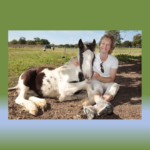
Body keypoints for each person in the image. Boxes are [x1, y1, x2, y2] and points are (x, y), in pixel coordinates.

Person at [72, 33, 120, 119]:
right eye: (103, 43)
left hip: (107, 82)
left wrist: (99, 77)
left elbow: (112, 78)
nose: (105, 46)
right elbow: (81, 58)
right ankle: (100, 105)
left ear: (111, 47)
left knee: (115, 86)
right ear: (99, 44)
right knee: (97, 88)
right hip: (95, 81)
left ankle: (94, 107)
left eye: (108, 44)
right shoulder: (93, 56)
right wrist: (73, 59)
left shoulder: (114, 60)